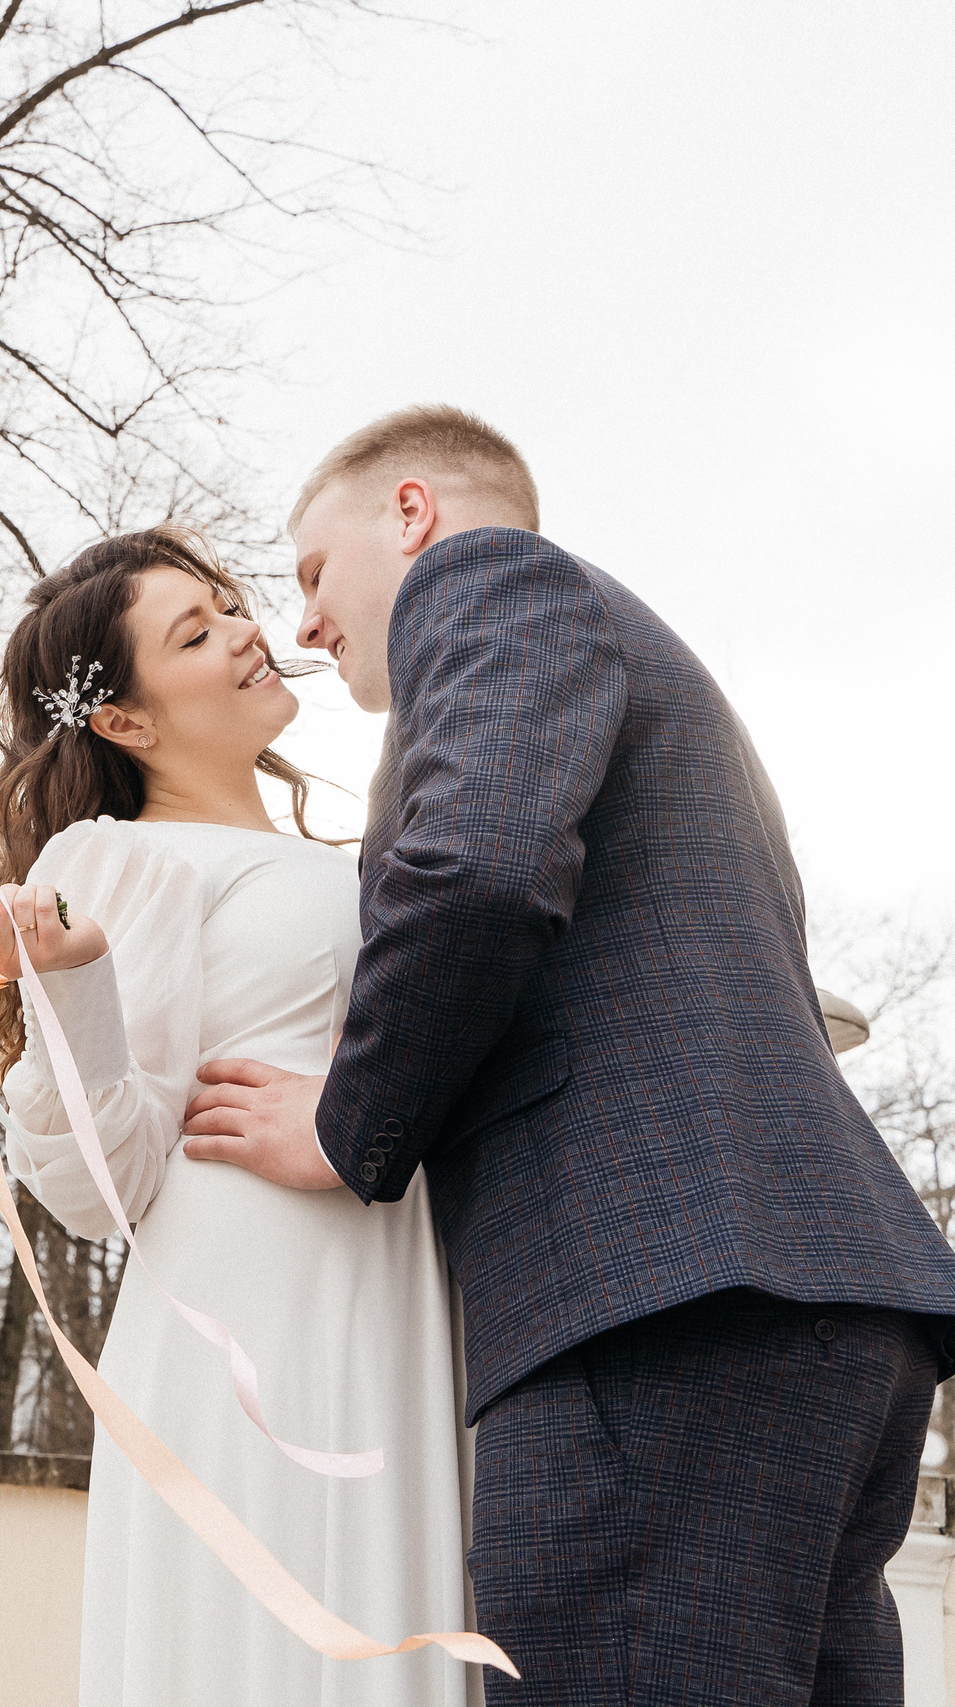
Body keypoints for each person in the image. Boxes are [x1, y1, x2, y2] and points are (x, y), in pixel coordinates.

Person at [180, 405, 955, 1705]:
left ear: (413, 515)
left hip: (653, 1311)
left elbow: (475, 868)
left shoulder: (490, 581)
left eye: (313, 571)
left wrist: (347, 1121)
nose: (304, 622)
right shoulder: (650, 674)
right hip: (816, 1308)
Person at [0, 526, 475, 1707]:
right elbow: (99, 1186)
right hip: (258, 1309)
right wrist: (73, 983)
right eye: (195, 632)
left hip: (384, 1270)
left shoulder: (337, 856)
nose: (247, 630)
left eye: (229, 604)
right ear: (126, 724)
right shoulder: (119, 859)